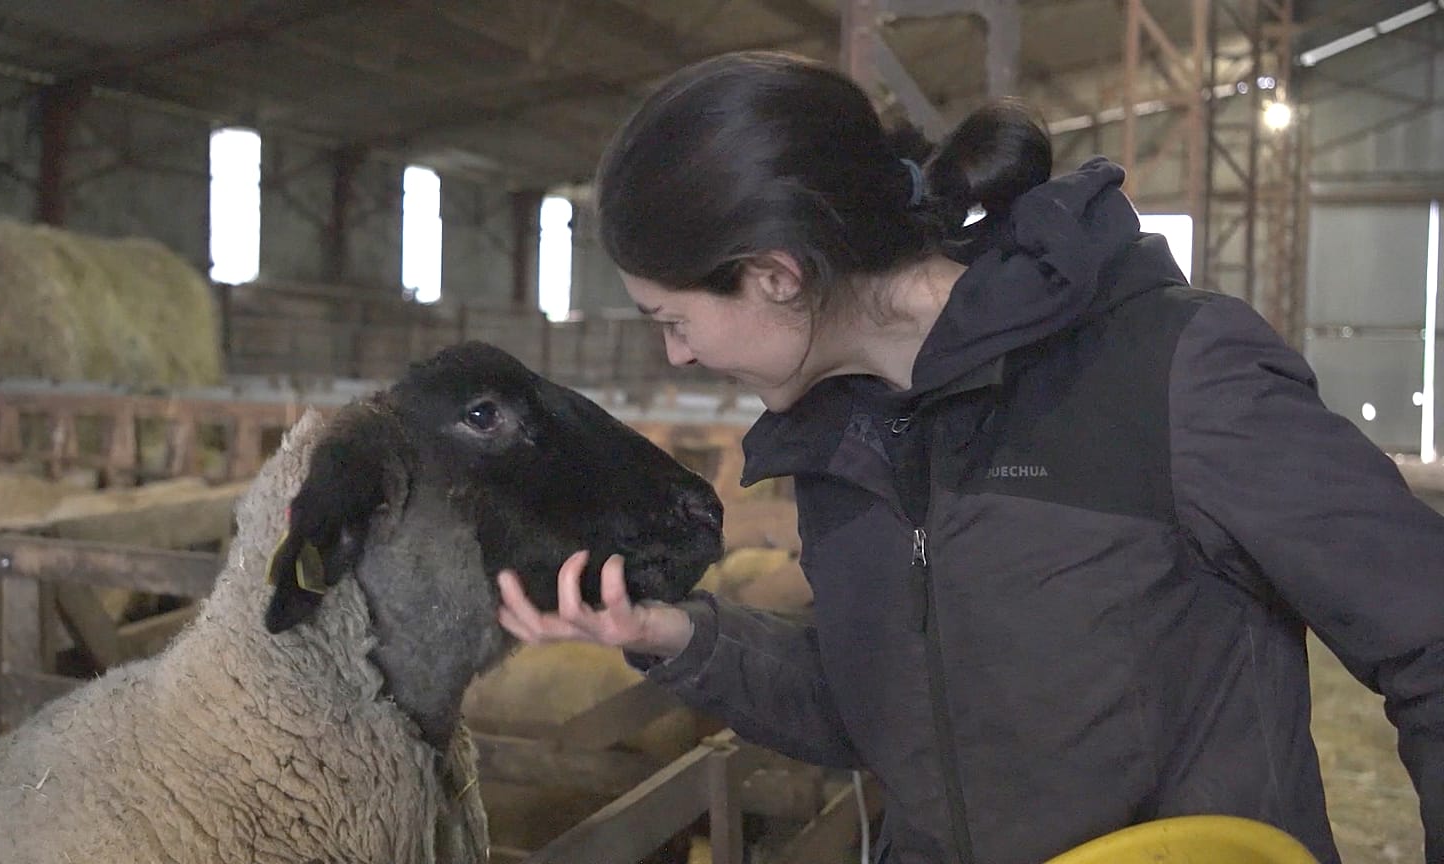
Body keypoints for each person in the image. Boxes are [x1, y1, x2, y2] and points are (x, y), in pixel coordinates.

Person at [494, 50, 1444, 864]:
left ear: (777, 274)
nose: (678, 354)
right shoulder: (846, 438)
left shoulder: (1173, 374)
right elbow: (878, 713)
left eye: (675, 320)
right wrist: (680, 639)